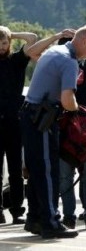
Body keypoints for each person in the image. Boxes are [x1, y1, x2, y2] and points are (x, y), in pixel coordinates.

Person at [21, 25, 86, 238]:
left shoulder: (54, 52)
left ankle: (35, 218)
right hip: (43, 119)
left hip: (31, 116)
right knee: (48, 172)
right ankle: (51, 223)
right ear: (84, 41)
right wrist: (80, 111)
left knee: (37, 170)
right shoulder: (69, 61)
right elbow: (68, 100)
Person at [0, 25, 37, 224]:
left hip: (14, 121)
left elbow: (32, 38)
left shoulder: (16, 60)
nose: (1, 46)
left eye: (4, 42)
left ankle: (17, 211)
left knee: (16, 170)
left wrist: (9, 32)